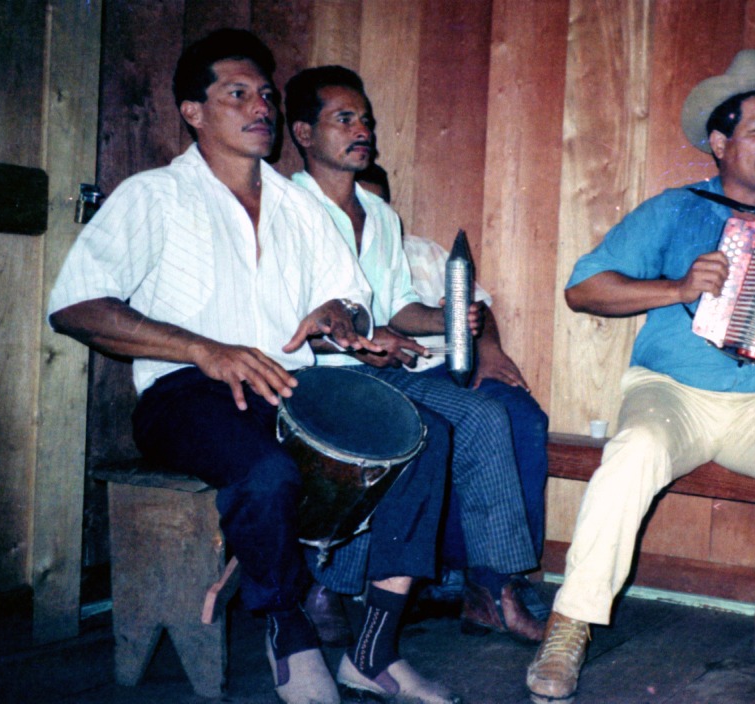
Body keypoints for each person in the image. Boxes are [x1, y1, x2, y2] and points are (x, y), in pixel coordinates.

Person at [46, 29, 457, 704]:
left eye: (265, 94)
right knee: (266, 471)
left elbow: (349, 297)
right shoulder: (154, 195)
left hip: (291, 383)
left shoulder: (299, 207)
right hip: (185, 391)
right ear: (193, 112)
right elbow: (75, 306)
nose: (261, 107)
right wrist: (203, 349)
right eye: (237, 94)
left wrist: (340, 317)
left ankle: (373, 652)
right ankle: (286, 627)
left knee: (425, 438)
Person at [525, 49, 755, 704]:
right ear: (720, 144)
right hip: (672, 393)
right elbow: (583, 290)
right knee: (636, 448)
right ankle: (570, 625)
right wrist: (676, 288)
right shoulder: (676, 210)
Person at [283, 65, 549, 649]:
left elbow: (400, 308)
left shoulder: (380, 215)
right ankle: (326, 584)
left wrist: (452, 319)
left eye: (366, 121)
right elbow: (284, 319)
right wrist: (363, 338)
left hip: (380, 370)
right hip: (313, 375)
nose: (363, 131)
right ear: (303, 133)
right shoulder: (282, 207)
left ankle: (492, 587)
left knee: (486, 415)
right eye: (344, 119)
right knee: (398, 433)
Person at [359, 164, 550, 621]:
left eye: (376, 203)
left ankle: (503, 576)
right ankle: (451, 572)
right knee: (452, 427)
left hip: (453, 367)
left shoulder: (421, 251)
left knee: (523, 418)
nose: (366, 213)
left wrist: (490, 350)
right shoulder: (334, 252)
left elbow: (476, 307)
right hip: (390, 376)